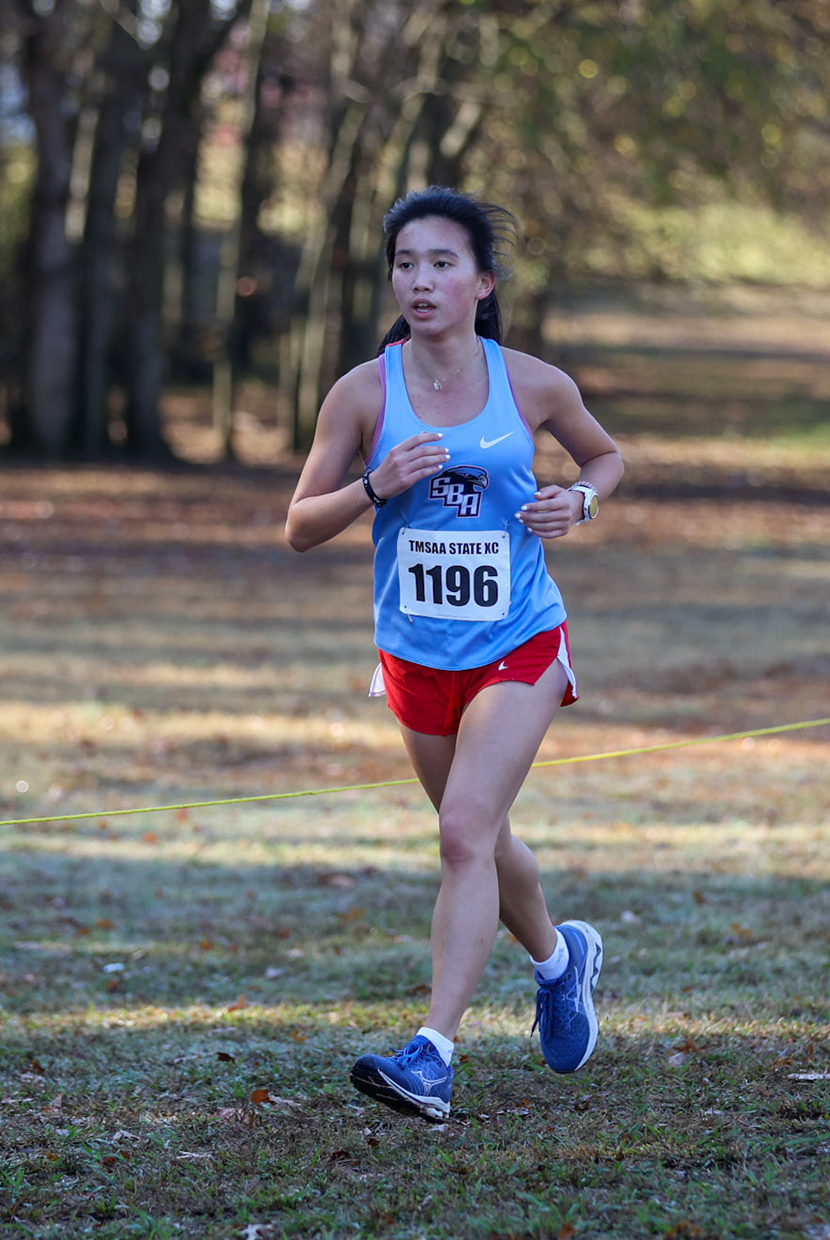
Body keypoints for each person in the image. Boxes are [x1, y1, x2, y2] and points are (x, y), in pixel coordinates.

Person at [285, 188, 625, 1118]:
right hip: (414, 654)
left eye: (442, 263)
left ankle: (432, 1055)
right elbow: (299, 527)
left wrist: (580, 504)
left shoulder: (533, 382)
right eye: (406, 264)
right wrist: (372, 483)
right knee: (485, 836)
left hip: (518, 640)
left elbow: (606, 458)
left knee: (462, 831)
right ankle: (561, 961)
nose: (421, 280)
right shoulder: (363, 392)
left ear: (482, 280)